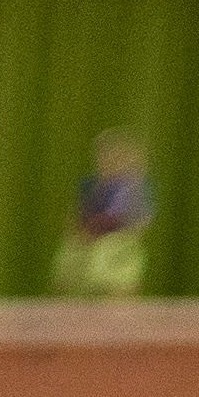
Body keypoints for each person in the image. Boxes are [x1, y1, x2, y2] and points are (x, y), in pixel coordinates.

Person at [56, 127, 153, 301]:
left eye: (120, 157)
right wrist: (79, 235)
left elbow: (141, 221)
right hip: (83, 250)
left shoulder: (136, 190)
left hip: (117, 253)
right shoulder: (89, 185)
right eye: (106, 156)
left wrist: (114, 236)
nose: (111, 161)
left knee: (116, 301)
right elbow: (76, 215)